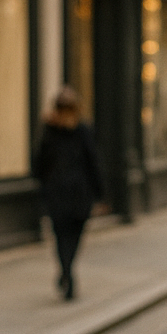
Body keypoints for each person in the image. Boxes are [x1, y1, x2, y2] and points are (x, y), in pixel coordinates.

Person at [33, 86, 104, 300]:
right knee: (71, 237)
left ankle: (65, 271)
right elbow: (93, 163)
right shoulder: (62, 131)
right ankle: (67, 271)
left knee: (63, 237)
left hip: (64, 194)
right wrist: (100, 194)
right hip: (73, 194)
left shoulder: (58, 131)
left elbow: (39, 165)